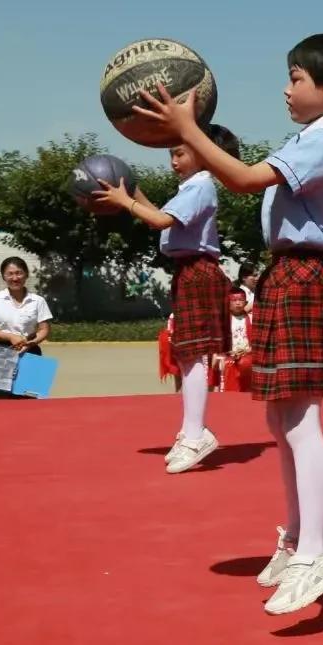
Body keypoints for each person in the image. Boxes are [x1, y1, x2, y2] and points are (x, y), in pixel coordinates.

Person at [132, 26, 323, 616]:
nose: (286, 89)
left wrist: (189, 128)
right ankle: (297, 539)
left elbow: (241, 180)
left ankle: (317, 550)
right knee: (281, 416)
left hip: (310, 277)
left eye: (295, 78)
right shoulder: (315, 136)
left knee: (301, 420)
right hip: (290, 275)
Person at [96, 126, 241, 473]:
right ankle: (191, 431)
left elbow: (159, 219)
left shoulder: (202, 185)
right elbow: (161, 219)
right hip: (189, 270)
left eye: (180, 153)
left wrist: (125, 201)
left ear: (204, 153)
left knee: (192, 357)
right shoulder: (191, 188)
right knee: (188, 356)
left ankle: (195, 434)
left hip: (197, 270)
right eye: (171, 154)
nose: (173, 160)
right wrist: (133, 191)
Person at [0, 256, 51, 399]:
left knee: (31, 401)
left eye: (19, 273)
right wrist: (10, 337)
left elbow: (44, 329)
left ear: (26, 275)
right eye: (10, 274)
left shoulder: (38, 300)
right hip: (3, 351)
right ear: (4, 277)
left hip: (32, 350)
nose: (15, 278)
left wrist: (33, 342)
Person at [215, 287, 253, 392]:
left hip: (248, 355)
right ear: (228, 303)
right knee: (225, 364)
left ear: (245, 302)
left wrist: (248, 350)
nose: (238, 303)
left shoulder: (251, 318)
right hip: (228, 356)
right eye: (234, 300)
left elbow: (256, 341)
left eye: (240, 300)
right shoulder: (224, 320)